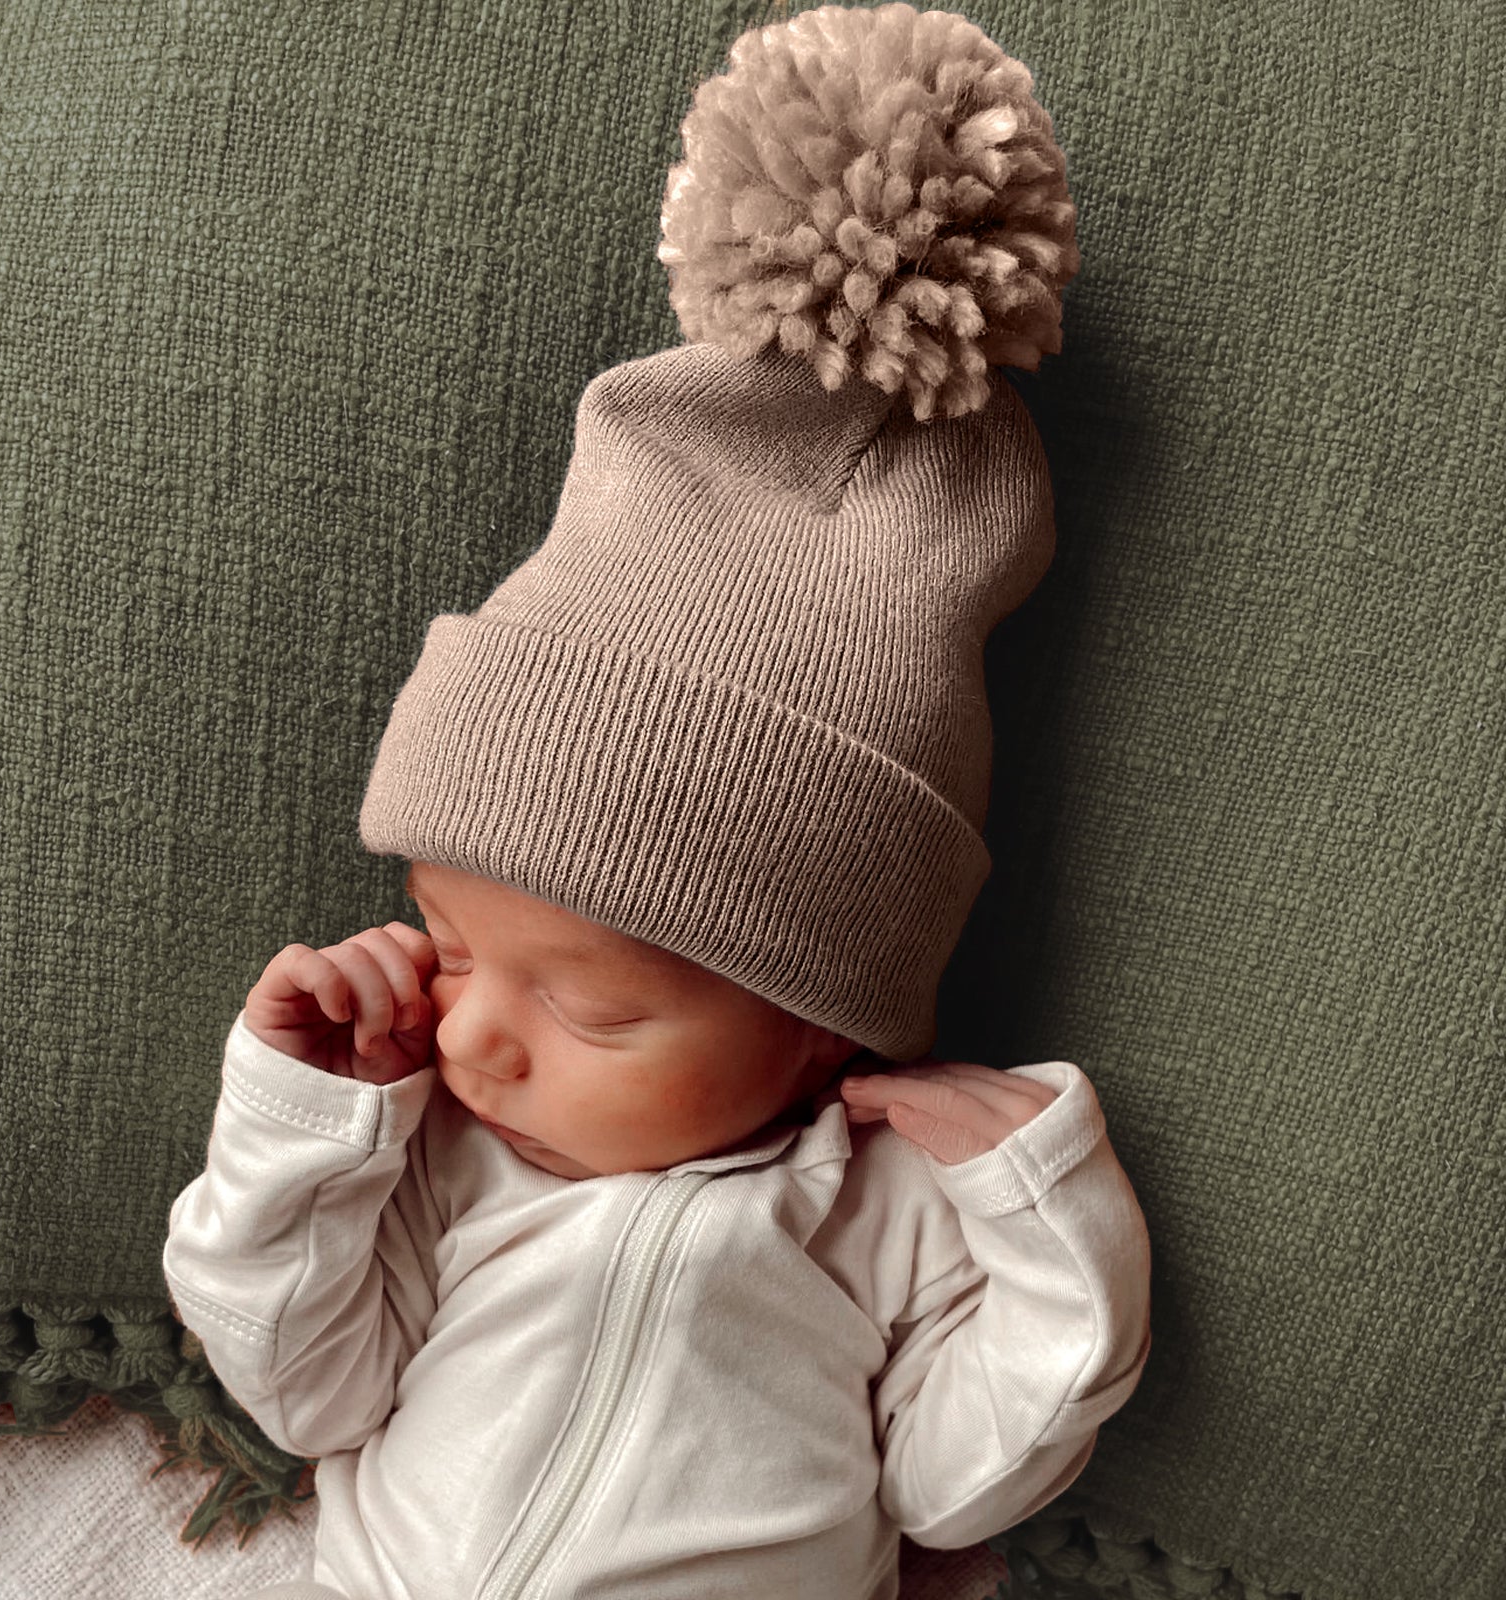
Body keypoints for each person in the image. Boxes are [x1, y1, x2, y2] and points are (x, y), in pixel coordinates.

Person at [163, 7, 1152, 1598]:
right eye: (448, 940)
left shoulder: (872, 1213)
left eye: (594, 1012)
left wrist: (1043, 1219)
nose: (473, 1033)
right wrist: (303, 1128)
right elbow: (304, 1390)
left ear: (821, 1020)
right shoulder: (428, 1156)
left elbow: (961, 1488)